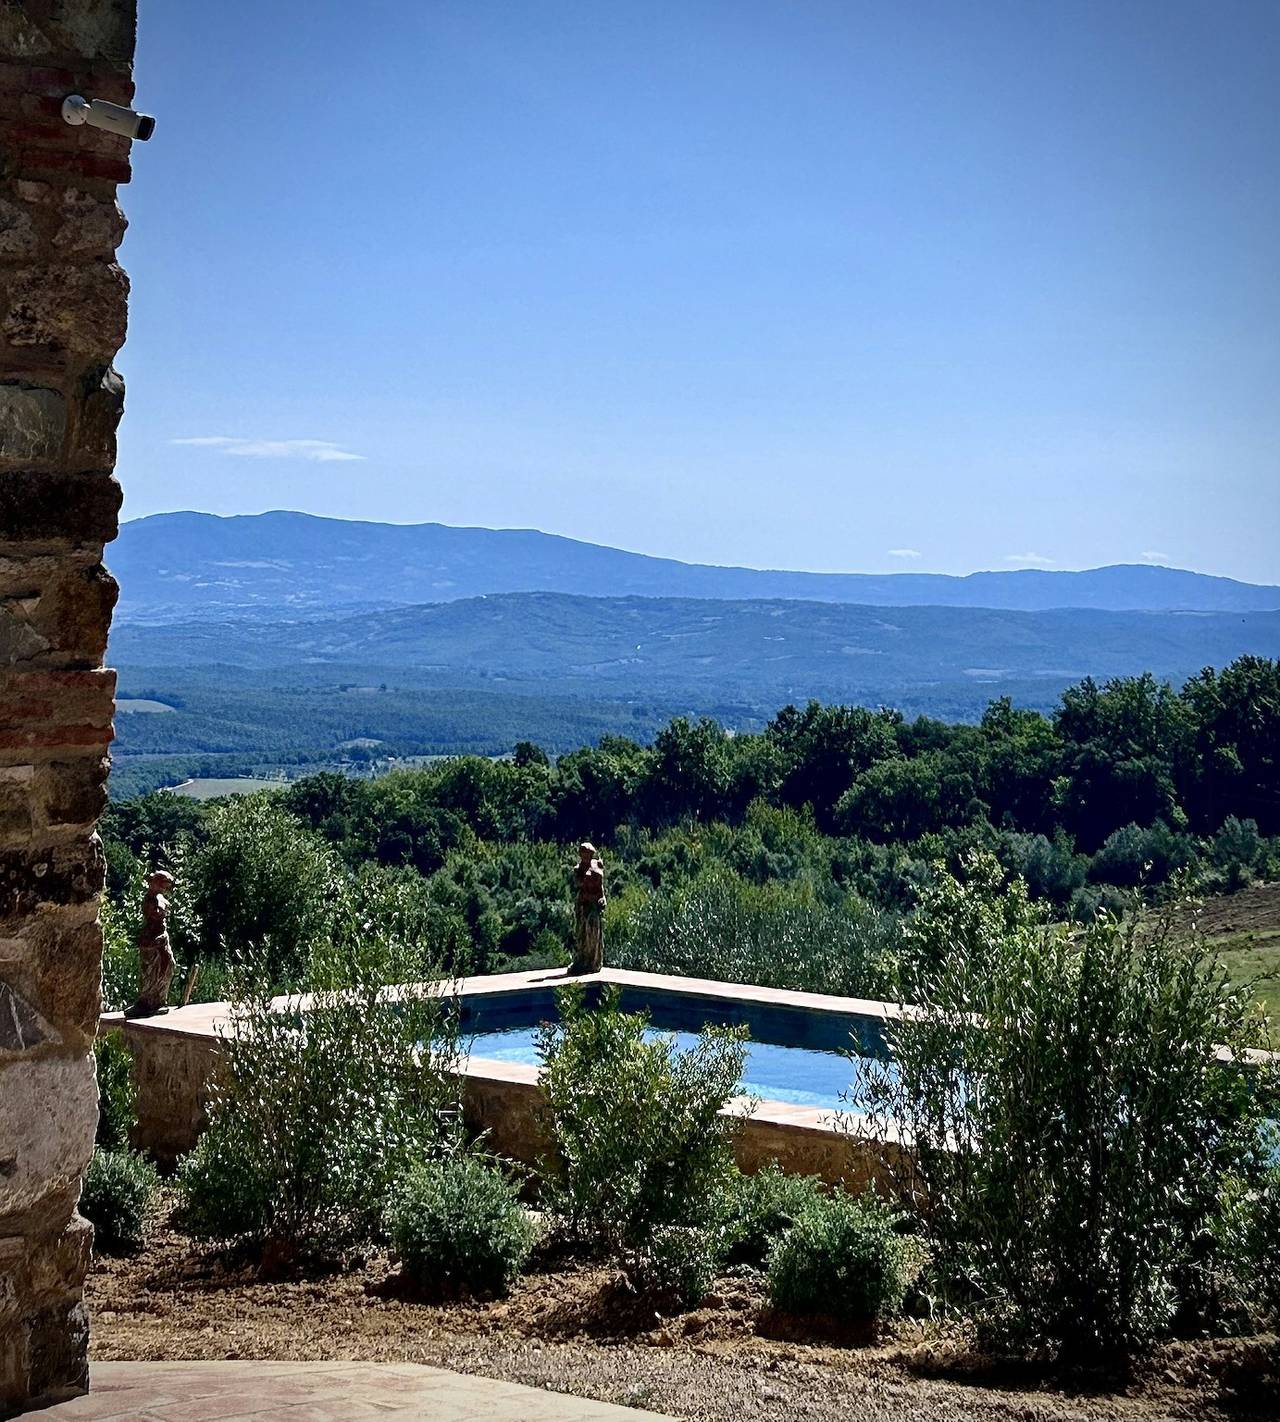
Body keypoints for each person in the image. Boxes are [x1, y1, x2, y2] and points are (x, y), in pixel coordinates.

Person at [126, 869, 176, 1017]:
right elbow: (156, 914)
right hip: (153, 939)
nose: (165, 889)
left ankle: (158, 1000)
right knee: (151, 970)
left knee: (167, 967)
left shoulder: (157, 898)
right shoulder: (150, 900)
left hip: (159, 938)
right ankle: (147, 1002)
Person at [569, 841, 605, 974]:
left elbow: (601, 887)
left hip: (594, 904)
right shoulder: (578, 869)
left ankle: (593, 961)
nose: (585, 858)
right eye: (583, 855)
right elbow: (579, 884)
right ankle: (581, 960)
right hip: (583, 905)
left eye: (588, 855)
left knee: (594, 933)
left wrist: (602, 898)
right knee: (582, 933)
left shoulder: (598, 865)